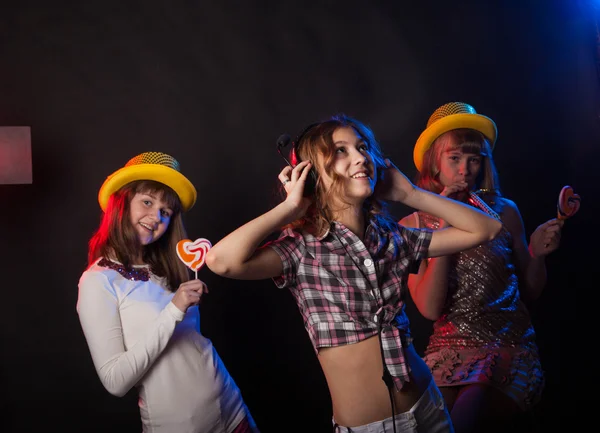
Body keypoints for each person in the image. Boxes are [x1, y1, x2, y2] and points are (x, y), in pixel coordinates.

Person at [205, 114, 502, 433]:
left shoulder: (394, 236)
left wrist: (411, 195)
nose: (360, 156)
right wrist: (291, 208)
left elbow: (487, 228)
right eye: (340, 151)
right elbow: (221, 261)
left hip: (427, 409)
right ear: (309, 175)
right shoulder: (301, 250)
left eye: (362, 147)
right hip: (367, 427)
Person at [400, 102, 563, 433]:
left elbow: (530, 291)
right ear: (435, 161)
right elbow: (430, 308)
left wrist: (538, 252)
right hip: (446, 351)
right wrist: (446, 220)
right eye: (455, 158)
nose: (465, 170)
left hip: (507, 346)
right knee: (428, 423)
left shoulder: (504, 211)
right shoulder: (413, 224)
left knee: (466, 418)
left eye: (474, 159)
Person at [76, 151, 259, 433]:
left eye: (166, 211)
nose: (156, 217)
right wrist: (173, 309)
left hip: (232, 409)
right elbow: (115, 381)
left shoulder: (165, 267)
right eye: (147, 202)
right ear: (122, 203)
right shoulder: (98, 281)